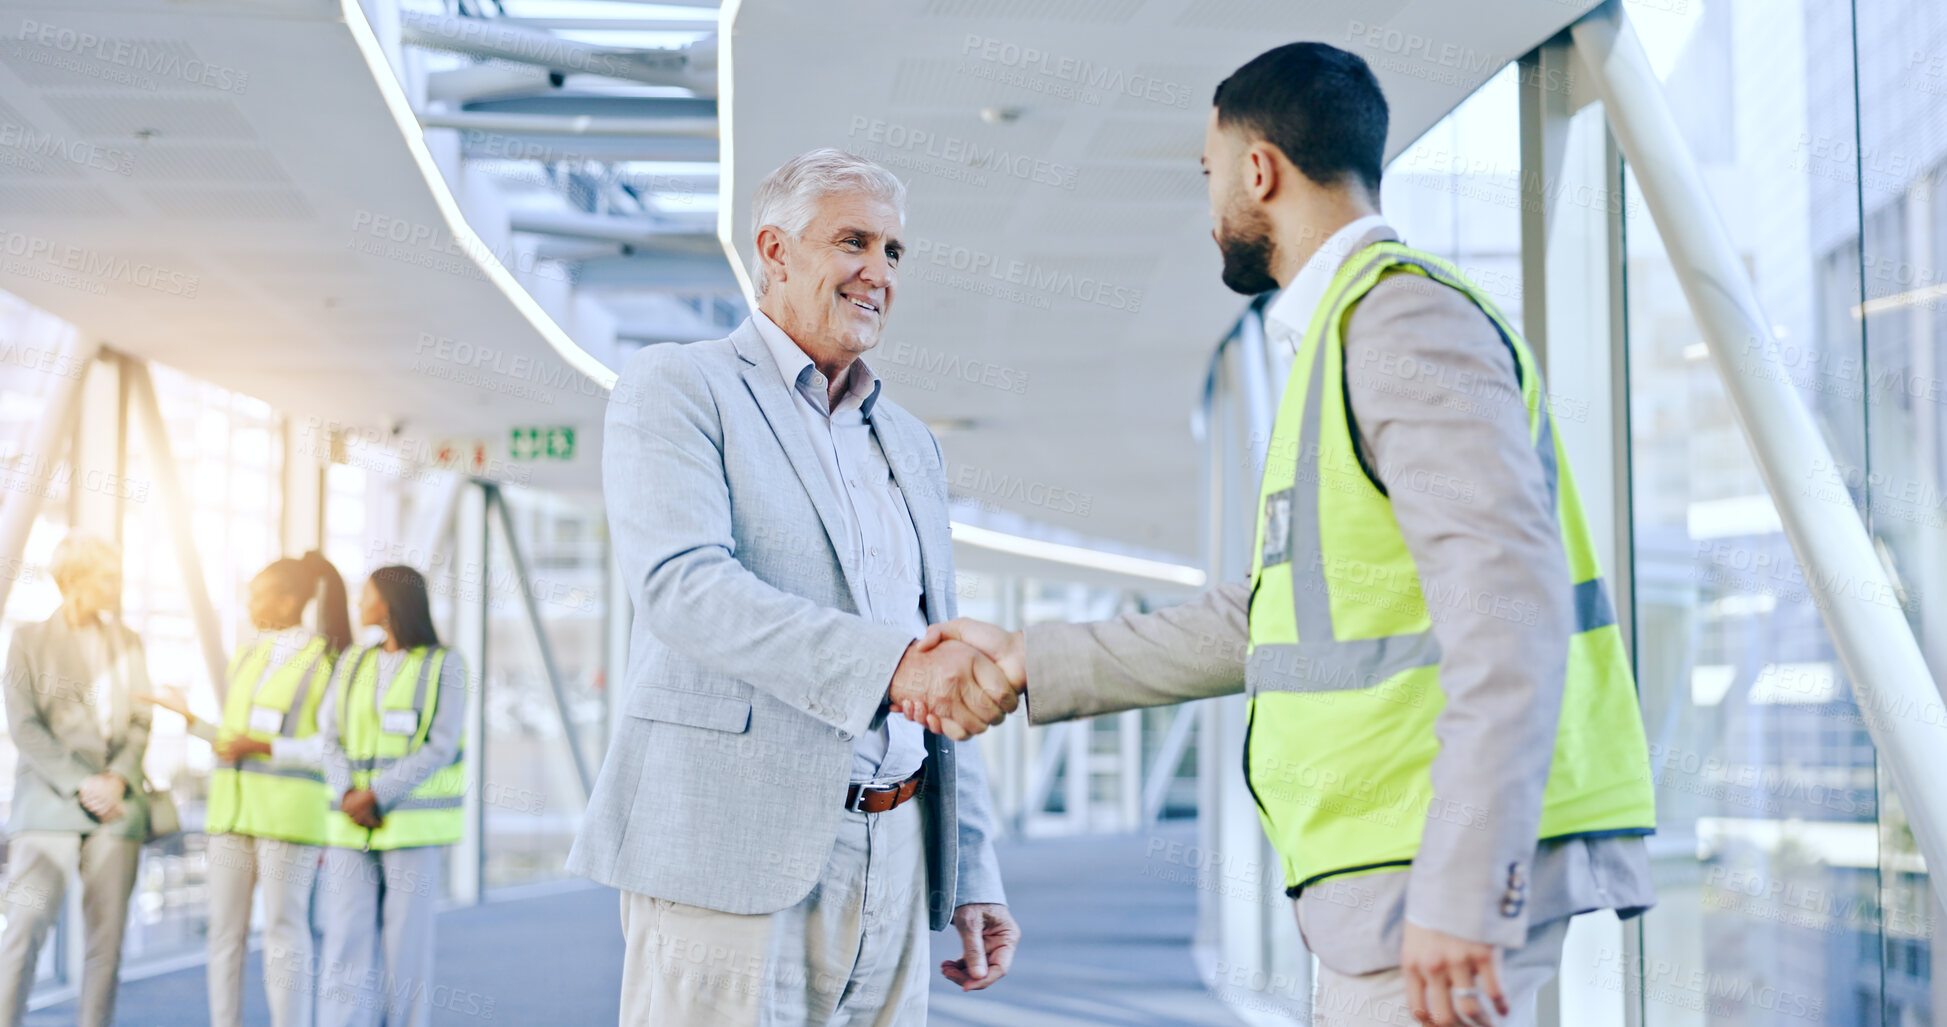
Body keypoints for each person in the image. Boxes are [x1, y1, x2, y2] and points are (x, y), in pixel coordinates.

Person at [908, 42, 1658, 1027]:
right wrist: (1025, 658)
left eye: (1210, 173)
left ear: (1259, 171)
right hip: (1384, 885)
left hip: (1429, 880)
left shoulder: (1399, 327)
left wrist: (1461, 884)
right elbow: (1271, 619)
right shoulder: (1341, 341)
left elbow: (1507, 611)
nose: (1210, 202)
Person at [567, 148, 1019, 1025]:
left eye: (893, 252)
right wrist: (891, 666)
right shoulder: (681, 386)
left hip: (894, 854)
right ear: (774, 250)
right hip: (727, 851)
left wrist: (971, 869)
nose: (878, 272)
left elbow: (937, 649)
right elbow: (685, 587)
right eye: (853, 241)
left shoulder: (910, 443)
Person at [144, 552, 352, 1027]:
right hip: (230, 815)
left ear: (290, 599)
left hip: (288, 816)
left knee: (283, 931)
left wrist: (264, 746)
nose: (250, 605)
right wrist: (190, 720)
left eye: (259, 595)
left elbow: (329, 745)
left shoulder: (327, 659)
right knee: (224, 934)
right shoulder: (248, 656)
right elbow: (230, 739)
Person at [0, 532, 154, 1027]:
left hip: (115, 802)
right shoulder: (27, 639)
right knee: (23, 928)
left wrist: (116, 778)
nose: (116, 586)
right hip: (49, 799)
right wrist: (80, 782)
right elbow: (23, 724)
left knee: (105, 944)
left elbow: (140, 721)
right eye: (107, 576)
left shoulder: (127, 642)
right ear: (75, 580)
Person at [313, 566, 466, 1027]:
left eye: (368, 594)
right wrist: (348, 793)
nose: (360, 603)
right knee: (344, 943)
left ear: (390, 602)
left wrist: (376, 795)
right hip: (350, 826)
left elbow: (440, 745)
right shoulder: (354, 661)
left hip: (408, 828)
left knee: (406, 951)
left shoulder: (445, 664)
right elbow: (328, 735)